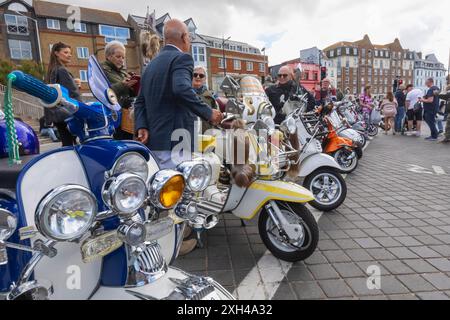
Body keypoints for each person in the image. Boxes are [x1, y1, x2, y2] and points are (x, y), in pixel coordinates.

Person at [101, 41, 138, 141]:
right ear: (108, 56)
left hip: (126, 114)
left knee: (129, 142)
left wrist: (135, 85)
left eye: (123, 57)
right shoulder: (101, 70)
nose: (121, 60)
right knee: (120, 143)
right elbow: (104, 92)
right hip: (114, 115)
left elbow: (130, 93)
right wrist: (123, 85)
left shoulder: (122, 72)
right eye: (118, 57)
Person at [45, 42, 79, 147]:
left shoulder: (51, 70)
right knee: (72, 143)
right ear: (56, 53)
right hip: (66, 112)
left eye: (70, 53)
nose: (69, 55)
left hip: (56, 113)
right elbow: (72, 93)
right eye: (66, 52)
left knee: (67, 142)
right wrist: (81, 107)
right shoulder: (61, 70)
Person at [192, 66, 219, 133]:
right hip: (188, 134)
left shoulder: (211, 97)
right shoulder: (184, 94)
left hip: (206, 134)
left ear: (205, 79)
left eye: (201, 75)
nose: (198, 77)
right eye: (195, 75)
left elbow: (217, 117)